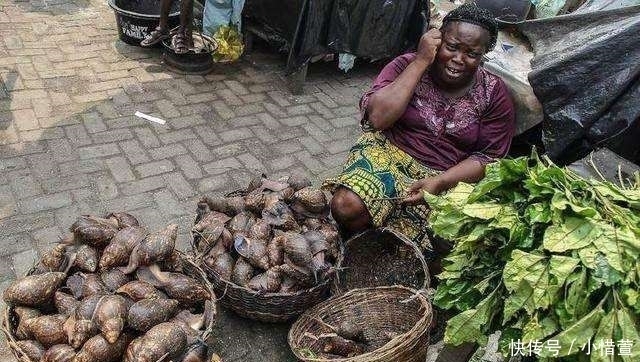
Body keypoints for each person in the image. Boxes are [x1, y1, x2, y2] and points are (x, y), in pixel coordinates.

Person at [324, 3, 515, 256]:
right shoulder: (406, 65)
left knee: (441, 245)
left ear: (482, 56)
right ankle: (353, 245)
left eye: (471, 53)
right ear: (438, 40)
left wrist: (441, 181)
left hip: (446, 174)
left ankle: (376, 253)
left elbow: (489, 156)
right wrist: (421, 60)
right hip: (387, 152)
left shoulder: (494, 94)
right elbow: (377, 119)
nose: (458, 59)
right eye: (452, 47)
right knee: (347, 205)